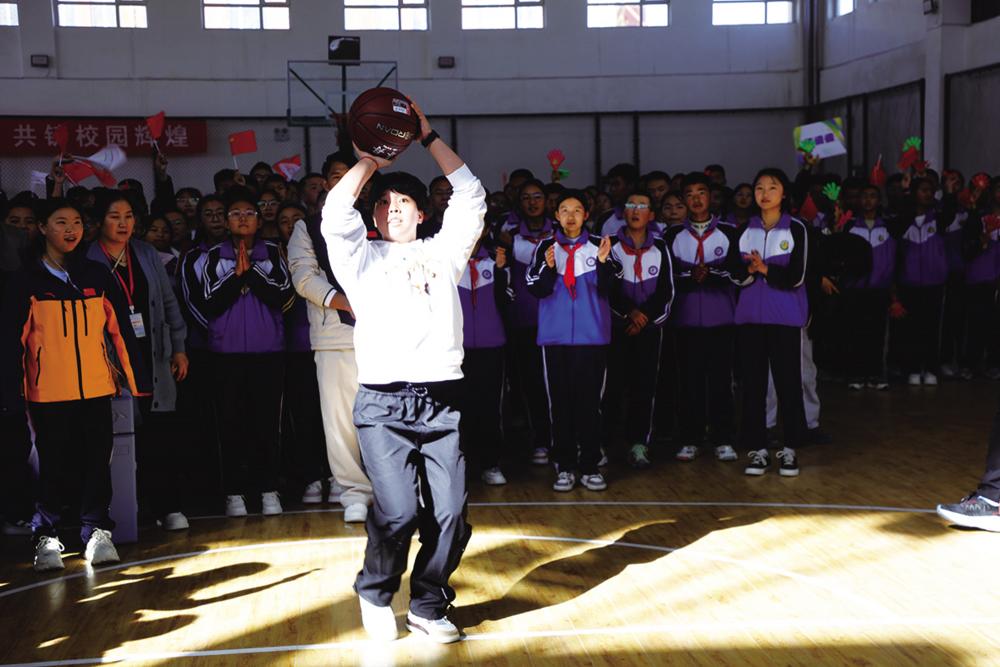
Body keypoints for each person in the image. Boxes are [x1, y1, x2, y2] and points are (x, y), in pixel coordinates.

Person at [321, 100, 483, 644]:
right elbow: (334, 214)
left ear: (422, 213)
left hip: (442, 402)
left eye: (404, 202)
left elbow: (471, 195)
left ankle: (428, 603)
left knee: (451, 514)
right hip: (383, 406)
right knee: (397, 513)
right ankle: (375, 589)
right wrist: (371, 160)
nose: (392, 209)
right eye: (383, 204)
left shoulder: (445, 253)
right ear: (373, 217)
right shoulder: (359, 261)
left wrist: (429, 136)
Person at [1, 199, 142, 571]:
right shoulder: (26, 280)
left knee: (97, 463)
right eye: (61, 222)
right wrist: (11, 393)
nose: (70, 230)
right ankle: (46, 536)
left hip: (96, 388)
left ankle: (97, 532)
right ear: (42, 228)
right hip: (46, 393)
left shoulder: (96, 274)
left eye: (77, 222)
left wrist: (136, 380)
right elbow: (11, 342)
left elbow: (120, 331)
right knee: (51, 466)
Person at [86, 191, 190, 531]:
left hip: (153, 355)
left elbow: (169, 302)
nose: (123, 223)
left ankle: (167, 506)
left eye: (128, 216)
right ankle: (123, 512)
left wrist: (179, 347)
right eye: (114, 216)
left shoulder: (145, 253)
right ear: (99, 221)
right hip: (111, 361)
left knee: (161, 436)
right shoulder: (87, 258)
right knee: (117, 439)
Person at [201, 187, 295, 518]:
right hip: (225, 354)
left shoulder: (273, 252)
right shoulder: (214, 256)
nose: (243, 219)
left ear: (259, 219)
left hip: (268, 352)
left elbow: (284, 298)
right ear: (226, 221)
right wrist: (235, 276)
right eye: (235, 214)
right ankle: (234, 493)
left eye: (249, 213)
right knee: (230, 424)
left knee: (267, 424)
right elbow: (209, 302)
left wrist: (251, 273)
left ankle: (268, 489)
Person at [527, 190, 623, 492]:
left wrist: (603, 263)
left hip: (591, 337)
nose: (571, 216)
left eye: (577, 210)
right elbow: (536, 288)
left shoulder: (600, 246)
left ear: (586, 214)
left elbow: (611, 288)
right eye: (565, 210)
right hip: (554, 338)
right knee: (560, 403)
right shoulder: (546, 247)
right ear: (556, 215)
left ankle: (590, 465)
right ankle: (564, 466)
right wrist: (549, 268)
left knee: (590, 403)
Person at [287, 188, 373, 523]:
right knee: (339, 421)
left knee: (386, 415)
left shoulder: (373, 221)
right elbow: (303, 277)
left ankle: (389, 487)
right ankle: (353, 491)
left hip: (383, 332)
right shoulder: (307, 227)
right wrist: (347, 303)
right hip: (333, 335)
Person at [733, 168, 808, 477]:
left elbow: (797, 276)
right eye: (759, 187)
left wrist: (766, 270)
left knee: (788, 382)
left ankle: (790, 449)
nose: (764, 193)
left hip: (785, 318)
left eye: (772, 187)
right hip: (750, 318)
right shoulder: (744, 230)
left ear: (784, 193)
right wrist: (750, 271)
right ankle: (758, 449)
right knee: (753, 385)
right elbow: (735, 275)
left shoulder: (797, 229)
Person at [663, 173, 740, 463]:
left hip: (722, 319)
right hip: (684, 321)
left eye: (701, 193)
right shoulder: (671, 235)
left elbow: (738, 272)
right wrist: (691, 275)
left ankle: (723, 438)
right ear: (683, 199)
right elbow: (667, 277)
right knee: (689, 381)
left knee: (721, 381)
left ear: (711, 196)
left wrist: (710, 274)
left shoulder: (730, 232)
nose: (696, 199)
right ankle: (690, 438)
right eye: (690, 194)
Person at [606, 191, 674, 468]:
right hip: (616, 329)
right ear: (623, 212)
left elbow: (667, 291)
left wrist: (644, 318)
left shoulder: (660, 247)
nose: (635, 210)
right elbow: (606, 289)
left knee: (644, 387)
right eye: (631, 205)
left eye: (642, 206)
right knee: (612, 388)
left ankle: (638, 443)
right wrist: (628, 314)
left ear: (652, 215)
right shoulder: (609, 245)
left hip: (649, 330)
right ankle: (605, 443)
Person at [501, 178, 555, 465]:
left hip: (557, 321)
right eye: (526, 198)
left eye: (537, 197)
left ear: (547, 201)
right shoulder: (508, 236)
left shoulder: (560, 232)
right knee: (533, 384)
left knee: (558, 383)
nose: (532, 203)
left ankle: (565, 438)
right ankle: (542, 440)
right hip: (524, 321)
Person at [458, 224, 512, 484]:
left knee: (490, 407)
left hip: (492, 345)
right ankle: (460, 465)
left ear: (485, 229)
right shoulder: (445, 261)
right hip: (455, 348)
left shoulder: (497, 260)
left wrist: (500, 271)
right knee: (458, 407)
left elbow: (508, 301)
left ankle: (491, 463)